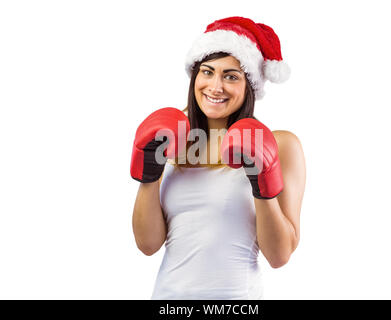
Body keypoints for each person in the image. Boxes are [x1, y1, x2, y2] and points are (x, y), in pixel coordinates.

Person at [130, 16, 306, 300]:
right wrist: (148, 173)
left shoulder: (280, 144)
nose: (215, 86)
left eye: (231, 76)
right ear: (195, 76)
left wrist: (262, 182)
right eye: (207, 72)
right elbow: (148, 244)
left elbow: (279, 255)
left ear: (250, 85)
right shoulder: (171, 137)